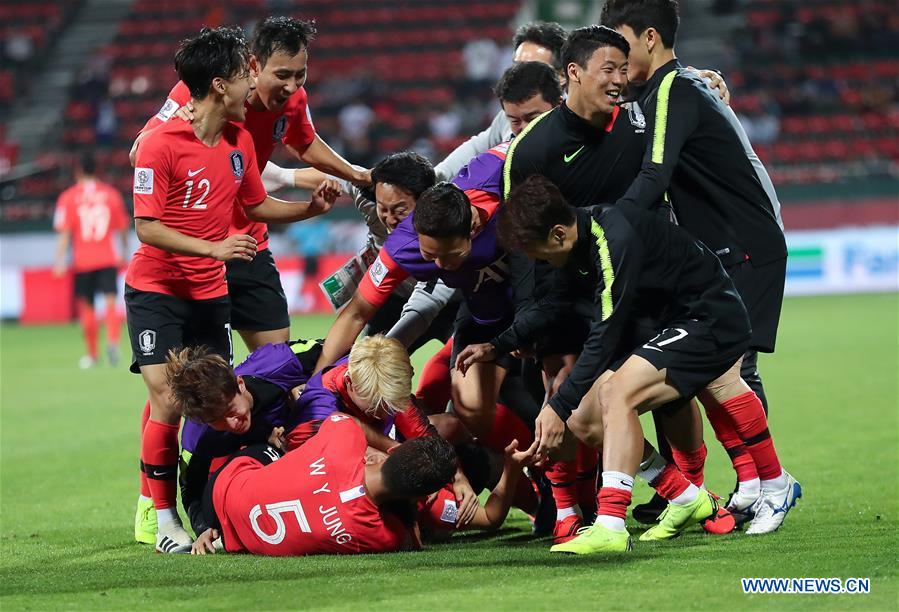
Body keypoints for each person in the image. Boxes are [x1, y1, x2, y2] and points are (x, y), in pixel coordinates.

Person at [459, 176, 800, 554]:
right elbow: (553, 304)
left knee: (617, 393)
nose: (539, 263)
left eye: (538, 253)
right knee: (582, 420)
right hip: (666, 324)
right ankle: (686, 496)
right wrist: (497, 345)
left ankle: (611, 521)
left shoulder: (613, 239)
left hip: (707, 317)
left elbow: (604, 335)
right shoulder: (577, 241)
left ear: (557, 234)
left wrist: (556, 405)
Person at [127, 26, 340, 554]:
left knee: (218, 402)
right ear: (221, 85)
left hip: (209, 295)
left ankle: (216, 501)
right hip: (156, 289)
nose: (258, 90)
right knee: (168, 399)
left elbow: (253, 207)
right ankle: (161, 516)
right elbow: (147, 228)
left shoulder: (241, 142)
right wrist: (215, 249)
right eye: (248, 78)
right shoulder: (158, 144)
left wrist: (305, 210)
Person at [601, 0, 788, 522]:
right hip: (720, 249)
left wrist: (607, 228)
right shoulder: (666, 91)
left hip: (745, 246)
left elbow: (657, 174)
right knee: (713, 371)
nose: (617, 59)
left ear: (651, 38)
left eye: (623, 45)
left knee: (729, 369)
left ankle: (768, 485)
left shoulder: (677, 91)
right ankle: (752, 485)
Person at [131, 16, 368, 352]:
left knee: (276, 358)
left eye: (300, 75)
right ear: (254, 66)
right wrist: (176, 125)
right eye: (282, 75)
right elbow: (137, 153)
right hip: (199, 247)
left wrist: (356, 175)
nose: (292, 86)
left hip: (248, 240)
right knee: (186, 378)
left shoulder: (293, 101)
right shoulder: (200, 90)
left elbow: (303, 143)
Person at [192, 414, 457, 556]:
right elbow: (412, 540)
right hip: (240, 539)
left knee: (279, 443)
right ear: (416, 496)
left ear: (392, 452)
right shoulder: (379, 534)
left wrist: (366, 452)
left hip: (225, 485)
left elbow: (339, 419)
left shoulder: (345, 439)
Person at [290, 335, 480, 528]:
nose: (383, 415)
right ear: (350, 383)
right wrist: (409, 469)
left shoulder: (385, 380)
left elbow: (423, 433)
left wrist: (458, 477)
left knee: (450, 425)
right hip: (343, 475)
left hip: (388, 451)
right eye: (374, 407)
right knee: (439, 516)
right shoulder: (319, 407)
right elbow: (314, 464)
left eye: (390, 407)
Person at [158, 339, 322, 541]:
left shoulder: (278, 362)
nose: (233, 423)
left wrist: (314, 390)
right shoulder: (196, 437)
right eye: (216, 421)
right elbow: (191, 490)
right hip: (270, 454)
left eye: (231, 410)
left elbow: (342, 353)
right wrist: (204, 529)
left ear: (240, 384)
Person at [53, 150, 129, 369]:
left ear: (78, 171)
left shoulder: (68, 197)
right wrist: (124, 249)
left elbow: (65, 232)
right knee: (111, 302)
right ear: (97, 170)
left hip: (83, 261)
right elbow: (122, 227)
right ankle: (113, 343)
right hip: (107, 258)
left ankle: (93, 355)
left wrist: (59, 261)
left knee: (87, 307)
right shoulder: (111, 194)